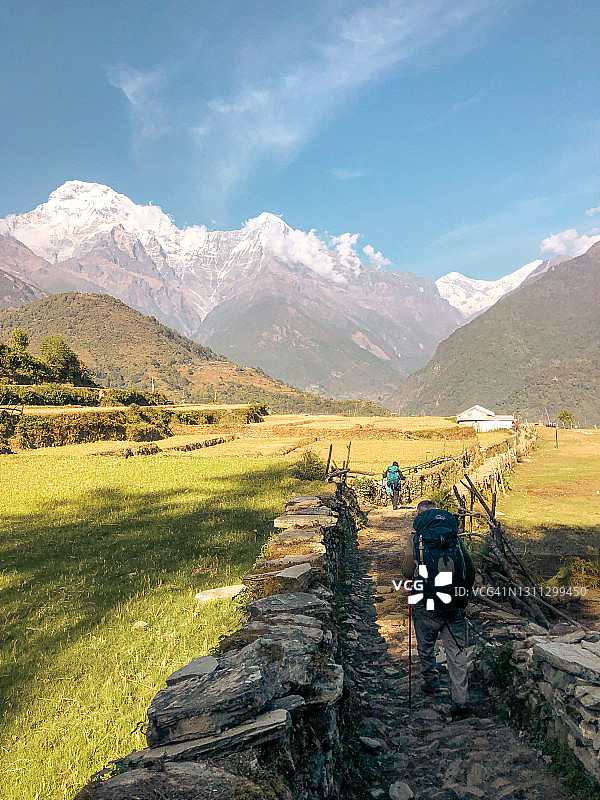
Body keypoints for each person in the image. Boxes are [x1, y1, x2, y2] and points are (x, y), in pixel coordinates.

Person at [402, 499, 476, 717]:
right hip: (453, 603)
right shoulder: (454, 539)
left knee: (426, 645)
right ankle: (461, 700)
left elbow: (407, 571)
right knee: (456, 652)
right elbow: (469, 569)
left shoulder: (415, 539)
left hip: (425, 602)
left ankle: (431, 682)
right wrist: (463, 598)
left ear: (419, 516)